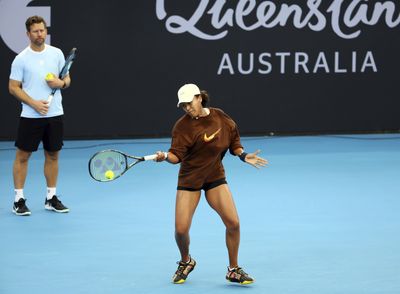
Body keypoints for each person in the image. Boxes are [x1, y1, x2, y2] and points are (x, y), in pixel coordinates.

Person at [155, 83, 268, 284]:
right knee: (181, 230)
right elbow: (176, 156)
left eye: (189, 103)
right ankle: (185, 261)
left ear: (199, 98)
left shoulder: (220, 117)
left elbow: (233, 140)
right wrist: (164, 156)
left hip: (214, 177)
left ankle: (233, 269)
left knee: (233, 223)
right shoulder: (182, 126)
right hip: (190, 179)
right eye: (183, 106)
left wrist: (242, 155)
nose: (187, 108)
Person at [8, 15, 70, 216]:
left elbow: (67, 79)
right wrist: (33, 103)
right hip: (30, 116)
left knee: (53, 155)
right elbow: (13, 87)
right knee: (23, 156)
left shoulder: (57, 54)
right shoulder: (21, 59)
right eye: (35, 31)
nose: (40, 34)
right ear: (28, 34)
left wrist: (60, 84)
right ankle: (18, 200)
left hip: (54, 114)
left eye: (42, 30)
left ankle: (51, 198)